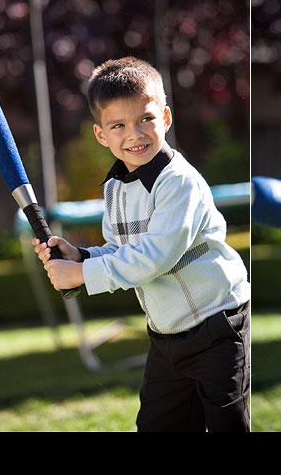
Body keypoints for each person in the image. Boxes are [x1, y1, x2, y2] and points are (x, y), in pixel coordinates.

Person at [32, 57, 250, 432]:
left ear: (165, 118)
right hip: (166, 335)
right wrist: (80, 255)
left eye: (145, 120)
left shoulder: (179, 182)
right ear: (101, 135)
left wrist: (82, 275)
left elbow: (155, 257)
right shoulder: (116, 188)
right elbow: (121, 250)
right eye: (118, 125)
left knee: (226, 424)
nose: (134, 134)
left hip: (217, 324)